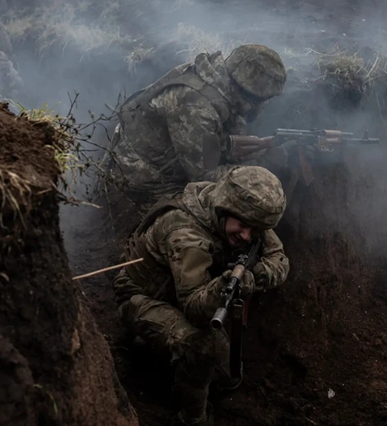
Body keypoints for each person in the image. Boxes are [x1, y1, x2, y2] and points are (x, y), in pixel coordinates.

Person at [112, 166, 290, 426]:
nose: (247, 236)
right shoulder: (186, 235)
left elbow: (280, 260)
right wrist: (223, 287)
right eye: (242, 226)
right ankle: (194, 418)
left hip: (190, 286)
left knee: (228, 376)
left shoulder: (244, 212)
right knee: (202, 348)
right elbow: (195, 310)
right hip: (143, 297)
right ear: (225, 208)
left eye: (255, 230)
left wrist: (254, 275)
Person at [106, 44, 289, 213]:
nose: (264, 105)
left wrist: (260, 149)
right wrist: (262, 166)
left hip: (170, 155)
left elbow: (219, 140)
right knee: (209, 220)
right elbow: (204, 177)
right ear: (248, 91)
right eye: (263, 99)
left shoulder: (217, 81)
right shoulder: (197, 109)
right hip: (144, 177)